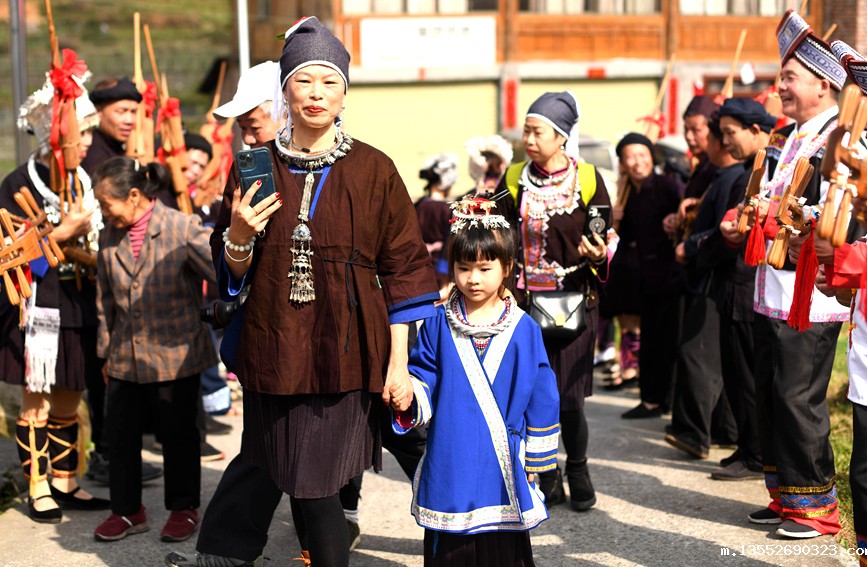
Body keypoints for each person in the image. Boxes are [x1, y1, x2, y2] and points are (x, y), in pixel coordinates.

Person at [209, 17, 438, 567]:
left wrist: (399, 363)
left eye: (329, 82)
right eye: (304, 80)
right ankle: (225, 552)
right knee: (276, 459)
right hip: (275, 341)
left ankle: (226, 553)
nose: (316, 94)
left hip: (348, 344)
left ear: (344, 93)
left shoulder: (374, 168)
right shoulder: (253, 167)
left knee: (310, 476)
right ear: (284, 88)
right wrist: (238, 237)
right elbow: (232, 274)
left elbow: (405, 268)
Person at [720, 9, 849, 539]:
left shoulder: (842, 140)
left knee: (798, 398)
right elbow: (771, 200)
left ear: (823, 84)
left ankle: (817, 510)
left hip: (811, 295)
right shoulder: (790, 136)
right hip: (771, 287)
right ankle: (786, 496)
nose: (781, 88)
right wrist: (745, 221)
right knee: (771, 394)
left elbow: (842, 214)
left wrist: (794, 222)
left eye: (790, 78)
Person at [393, 196, 559, 565]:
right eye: (463, 267)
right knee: (452, 549)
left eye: (484, 268)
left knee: (500, 551)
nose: (473, 278)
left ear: (507, 268)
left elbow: (542, 392)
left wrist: (538, 456)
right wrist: (410, 394)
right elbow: (424, 374)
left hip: (501, 460)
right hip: (451, 453)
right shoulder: (437, 323)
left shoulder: (523, 328)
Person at [1, 74, 110, 524]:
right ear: (55, 134)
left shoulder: (84, 180)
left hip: (78, 298)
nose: (87, 141)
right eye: (80, 132)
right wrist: (62, 234)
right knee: (38, 398)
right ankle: (37, 486)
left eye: (88, 131)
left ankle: (66, 480)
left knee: (70, 393)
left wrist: (84, 249)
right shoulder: (17, 182)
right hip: (38, 303)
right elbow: (8, 252)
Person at [92, 158, 217, 543]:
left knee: (179, 434)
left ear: (133, 196)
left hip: (176, 353)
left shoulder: (182, 227)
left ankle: (183, 509)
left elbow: (222, 272)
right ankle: (128, 511)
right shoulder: (109, 235)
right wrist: (105, 355)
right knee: (121, 435)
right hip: (125, 354)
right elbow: (105, 301)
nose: (103, 212)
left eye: (106, 204)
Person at [496, 91, 610, 511]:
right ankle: (548, 474)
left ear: (561, 136)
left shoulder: (589, 179)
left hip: (576, 302)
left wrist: (599, 253)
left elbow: (605, 236)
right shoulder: (512, 180)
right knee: (532, 394)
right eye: (526, 130)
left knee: (569, 398)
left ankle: (577, 467)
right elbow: (495, 236)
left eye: (536, 130)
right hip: (525, 306)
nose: (528, 138)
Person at [666, 116, 741, 459]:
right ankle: (725, 430)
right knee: (716, 356)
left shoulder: (732, 178)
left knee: (697, 355)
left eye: (712, 136)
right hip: (709, 277)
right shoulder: (720, 176)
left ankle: (694, 432)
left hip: (715, 277)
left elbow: (723, 231)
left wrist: (692, 245)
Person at [711, 98, 777, 481]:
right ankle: (749, 448)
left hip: (755, 281)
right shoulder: (753, 167)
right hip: (741, 280)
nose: (725, 142)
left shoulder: (776, 161)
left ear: (755, 130)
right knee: (738, 371)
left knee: (751, 372)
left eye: (730, 134)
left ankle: (756, 454)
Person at [616, 133, 684, 419]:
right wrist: (616, 217)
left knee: (666, 340)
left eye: (642, 154)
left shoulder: (668, 186)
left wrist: (675, 222)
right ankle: (652, 399)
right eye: (630, 156)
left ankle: (660, 400)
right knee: (651, 339)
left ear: (652, 156)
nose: (637, 161)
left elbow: (687, 216)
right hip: (645, 275)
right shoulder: (629, 192)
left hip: (671, 273)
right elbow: (623, 236)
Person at [80, 77, 142, 177]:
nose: (129, 120)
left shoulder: (118, 149)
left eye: (134, 112)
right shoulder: (92, 156)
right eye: (121, 111)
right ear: (98, 112)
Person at [415, 153, 458, 288]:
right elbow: (450, 239)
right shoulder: (448, 209)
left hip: (419, 262)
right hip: (440, 266)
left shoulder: (418, 205)